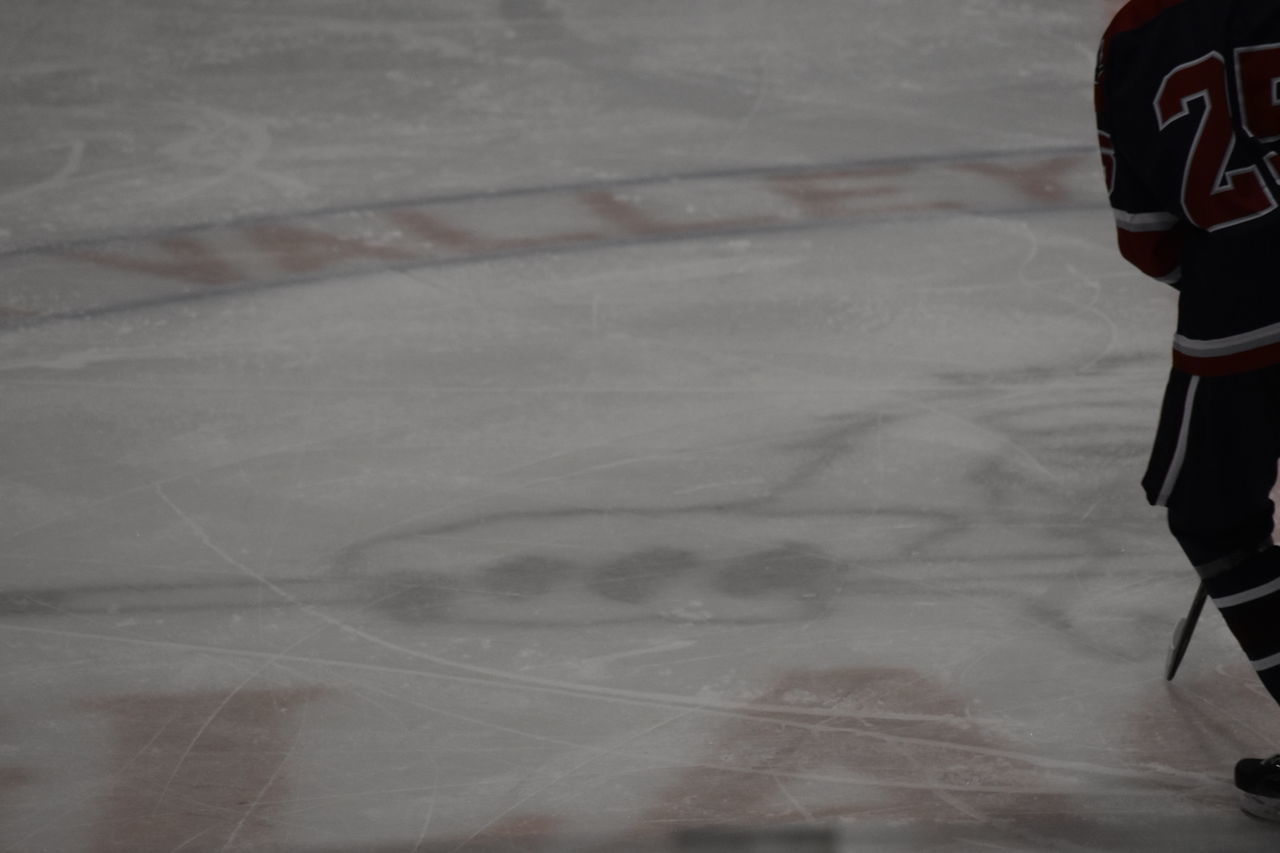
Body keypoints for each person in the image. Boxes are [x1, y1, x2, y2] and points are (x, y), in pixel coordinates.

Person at [1096, 0, 1280, 821]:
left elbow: (1147, 233)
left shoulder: (1140, 31)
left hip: (1241, 319)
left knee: (1215, 514)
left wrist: (1230, 271)